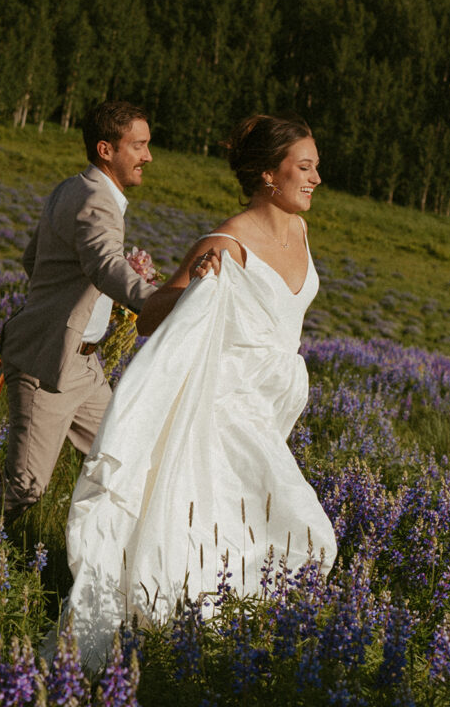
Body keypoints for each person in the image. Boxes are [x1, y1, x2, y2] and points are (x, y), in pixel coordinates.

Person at [60, 113, 338, 669]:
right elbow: (147, 320)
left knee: (234, 532)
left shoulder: (301, 231)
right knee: (306, 534)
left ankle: (207, 653)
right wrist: (198, 284)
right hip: (223, 411)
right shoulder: (226, 241)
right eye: (304, 167)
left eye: (316, 168)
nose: (316, 179)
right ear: (267, 175)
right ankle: (169, 641)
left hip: (267, 413)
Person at [0, 101, 156, 518]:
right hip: (50, 364)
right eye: (139, 146)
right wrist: (158, 304)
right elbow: (105, 266)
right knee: (24, 487)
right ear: (106, 150)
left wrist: (79, 307)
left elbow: (33, 260)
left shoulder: (70, 188)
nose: (148, 156)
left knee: (122, 461)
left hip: (85, 368)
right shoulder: (97, 199)